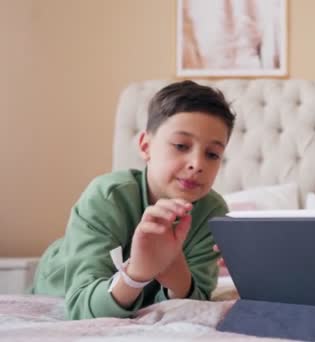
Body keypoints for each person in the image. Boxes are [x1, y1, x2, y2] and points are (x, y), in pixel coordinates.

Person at [31, 80, 236, 320]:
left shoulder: (213, 212)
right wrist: (136, 273)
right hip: (60, 286)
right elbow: (79, 306)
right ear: (146, 146)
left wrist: (177, 274)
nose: (197, 164)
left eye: (212, 154)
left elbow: (197, 300)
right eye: (181, 145)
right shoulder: (108, 196)